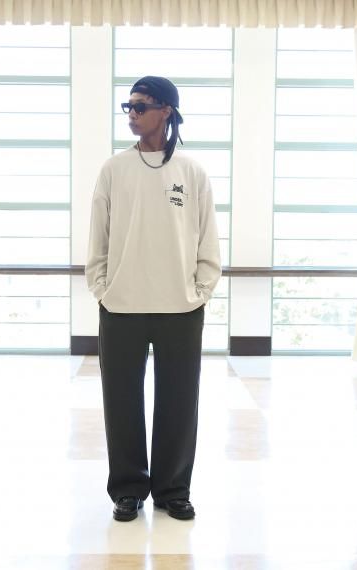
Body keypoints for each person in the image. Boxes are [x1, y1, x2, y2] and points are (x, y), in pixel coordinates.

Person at [85, 76, 221, 522]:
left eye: (141, 106)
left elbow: (207, 237)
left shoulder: (191, 171)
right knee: (121, 402)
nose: (132, 114)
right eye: (128, 106)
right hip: (121, 306)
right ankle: (128, 490)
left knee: (179, 402)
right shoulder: (114, 169)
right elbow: (98, 236)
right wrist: (102, 288)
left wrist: (201, 291)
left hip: (181, 308)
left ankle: (172, 490)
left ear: (166, 111)